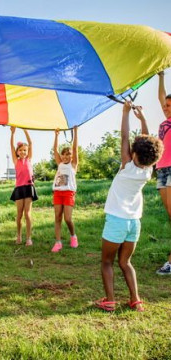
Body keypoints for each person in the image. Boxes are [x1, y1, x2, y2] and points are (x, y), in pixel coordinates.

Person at [95, 101, 163, 312]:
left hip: (117, 220)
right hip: (134, 223)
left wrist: (124, 112)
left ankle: (110, 301)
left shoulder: (126, 166)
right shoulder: (148, 171)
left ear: (133, 154)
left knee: (107, 261)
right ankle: (136, 300)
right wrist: (142, 118)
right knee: (126, 262)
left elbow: (124, 138)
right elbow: (146, 142)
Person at [51, 126, 79, 252]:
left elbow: (75, 149)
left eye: (68, 155)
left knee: (67, 218)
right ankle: (58, 242)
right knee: (57, 217)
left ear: (72, 157)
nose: (66, 157)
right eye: (64, 154)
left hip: (69, 193)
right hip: (58, 192)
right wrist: (56, 135)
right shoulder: (60, 164)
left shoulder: (73, 165)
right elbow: (54, 150)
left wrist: (76, 132)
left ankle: (73, 236)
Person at [10, 127, 38, 246]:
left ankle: (28, 238)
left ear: (27, 152)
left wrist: (24, 130)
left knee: (28, 214)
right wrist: (13, 133)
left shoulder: (29, 159)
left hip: (28, 188)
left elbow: (30, 143)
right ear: (17, 152)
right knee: (19, 214)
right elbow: (11, 146)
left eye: (25, 150)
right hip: (19, 189)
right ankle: (19, 236)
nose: (23, 152)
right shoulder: (16, 161)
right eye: (20, 150)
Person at [155, 71, 171, 275]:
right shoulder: (164, 120)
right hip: (161, 169)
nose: (166, 108)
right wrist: (160, 76)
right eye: (166, 105)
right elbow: (161, 96)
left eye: (169, 105)